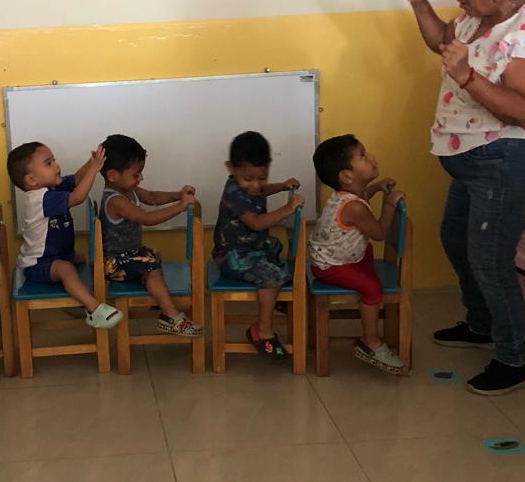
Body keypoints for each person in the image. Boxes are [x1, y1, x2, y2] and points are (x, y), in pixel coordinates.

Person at [404, 0, 525, 395]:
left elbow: (523, 110)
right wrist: (420, 6)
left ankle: (515, 361)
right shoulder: (479, 17)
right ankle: (481, 324)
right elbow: (444, 42)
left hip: (513, 158)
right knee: (455, 240)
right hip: (476, 159)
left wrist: (467, 76)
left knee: (490, 260)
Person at [308, 134, 407, 374]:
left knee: (368, 255)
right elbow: (380, 233)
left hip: (341, 257)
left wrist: (377, 187)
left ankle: (369, 310)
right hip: (329, 266)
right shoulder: (353, 207)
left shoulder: (350, 195)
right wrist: (390, 203)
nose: (371, 157)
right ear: (346, 176)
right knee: (372, 288)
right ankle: (370, 342)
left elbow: (363, 196)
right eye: (362, 155)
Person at [7, 141, 123, 329]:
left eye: (54, 160)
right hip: (38, 263)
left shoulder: (51, 188)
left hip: (59, 254)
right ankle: (93, 309)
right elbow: (78, 196)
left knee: (80, 258)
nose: (56, 165)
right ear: (31, 180)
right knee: (65, 269)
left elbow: (76, 179)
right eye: (48, 163)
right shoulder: (40, 198)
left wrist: (91, 162)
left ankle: (78, 298)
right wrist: (94, 169)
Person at [98, 133, 202, 336]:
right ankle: (171, 316)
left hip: (128, 254)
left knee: (153, 257)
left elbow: (152, 197)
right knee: (151, 266)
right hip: (114, 263)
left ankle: (159, 299)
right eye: (136, 174)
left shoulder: (130, 189)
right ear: (112, 175)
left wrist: (178, 195)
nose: (141, 178)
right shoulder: (115, 200)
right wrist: (180, 207)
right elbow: (147, 218)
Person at [213, 131, 304, 361]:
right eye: (249, 179)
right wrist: (288, 208)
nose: (255, 185)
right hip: (232, 255)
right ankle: (262, 331)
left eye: (261, 178)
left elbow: (261, 191)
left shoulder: (248, 185)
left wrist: (282, 186)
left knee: (275, 247)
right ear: (230, 168)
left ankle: (274, 300)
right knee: (272, 275)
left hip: (252, 247)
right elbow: (256, 223)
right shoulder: (235, 194)